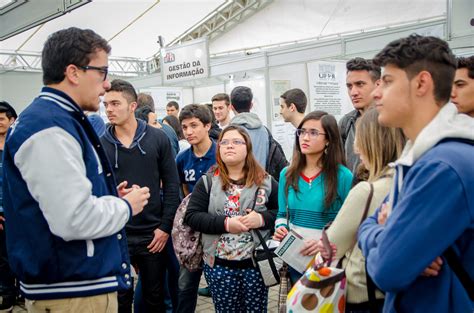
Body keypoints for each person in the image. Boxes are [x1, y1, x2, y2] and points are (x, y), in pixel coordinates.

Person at [2, 27, 150, 312]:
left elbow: (60, 199)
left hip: (72, 284)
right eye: (102, 72)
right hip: (72, 292)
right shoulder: (49, 126)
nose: (106, 85)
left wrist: (104, 194)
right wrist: (125, 206)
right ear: (73, 72)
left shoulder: (55, 119)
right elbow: (73, 219)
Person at [358, 35, 474, 313]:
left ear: (421, 83)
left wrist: (385, 231)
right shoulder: (424, 156)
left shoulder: (443, 166)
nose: (376, 93)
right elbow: (367, 227)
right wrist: (386, 233)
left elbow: (387, 271)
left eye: (387, 82)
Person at [102, 79, 180, 313]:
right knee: (120, 298)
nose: (109, 109)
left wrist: (165, 228)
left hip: (152, 235)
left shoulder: (157, 138)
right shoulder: (101, 143)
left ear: (133, 105)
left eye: (115, 103)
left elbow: (172, 185)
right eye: (106, 104)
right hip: (117, 234)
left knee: (154, 298)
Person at [317, 108, 405, 312]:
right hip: (395, 294)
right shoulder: (407, 183)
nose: (356, 149)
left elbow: (332, 245)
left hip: (362, 294)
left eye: (360, 139)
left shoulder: (366, 191)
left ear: (372, 143)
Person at [185, 125, 278, 313]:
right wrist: (226, 224)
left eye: (237, 142)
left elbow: (281, 211)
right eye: (224, 142)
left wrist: (261, 219)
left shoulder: (266, 181)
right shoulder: (208, 181)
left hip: (255, 266)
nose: (229, 146)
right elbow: (192, 216)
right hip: (219, 266)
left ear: (247, 148)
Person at [273, 111, 353, 283]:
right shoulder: (286, 174)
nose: (305, 138)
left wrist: (324, 242)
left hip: (329, 262)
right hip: (295, 260)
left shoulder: (343, 176)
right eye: (302, 132)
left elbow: (351, 223)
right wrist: (280, 229)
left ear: (329, 140)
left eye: (313, 133)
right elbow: (282, 214)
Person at [175, 104, 217, 312]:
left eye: (194, 125)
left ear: (207, 125)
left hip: (217, 228)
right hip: (192, 229)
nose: (189, 132)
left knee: (218, 284)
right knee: (185, 285)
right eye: (184, 127)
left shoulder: (221, 153)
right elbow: (182, 188)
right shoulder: (182, 159)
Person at [230, 86, 288, 181]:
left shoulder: (228, 133)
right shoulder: (264, 131)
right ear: (251, 105)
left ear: (231, 107)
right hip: (263, 187)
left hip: (236, 188)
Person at [339, 58, 381, 175]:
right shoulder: (345, 123)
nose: (353, 92)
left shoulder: (395, 122)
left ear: (378, 84)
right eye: (349, 86)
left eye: (360, 84)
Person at [0, 101, 17, 312]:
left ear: (12, 120)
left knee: (18, 253)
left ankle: (22, 289)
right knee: (2, 257)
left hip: (18, 212)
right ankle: (6, 293)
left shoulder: (18, 146)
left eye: (2, 118)